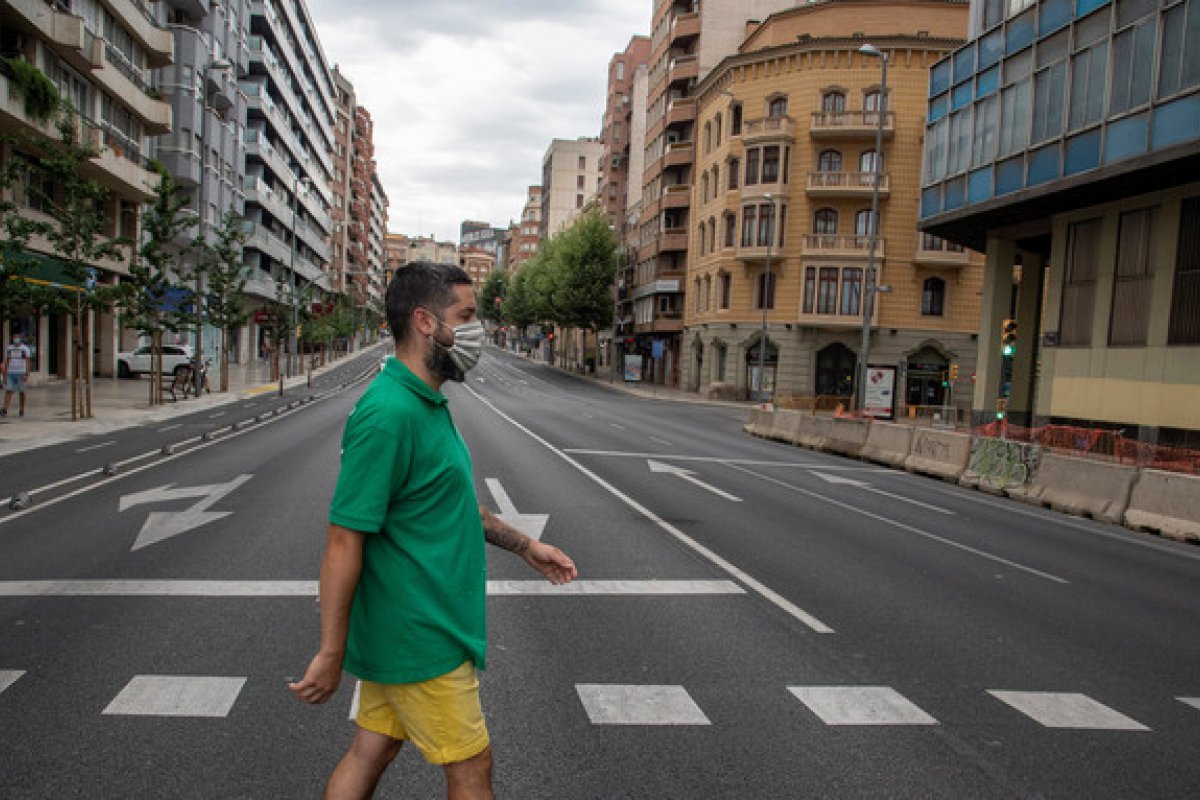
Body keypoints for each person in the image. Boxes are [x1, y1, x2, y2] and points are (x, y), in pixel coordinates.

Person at [289, 261, 577, 800]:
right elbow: (343, 537)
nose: (477, 331)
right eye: (466, 316)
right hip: (419, 632)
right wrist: (330, 651)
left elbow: (452, 507)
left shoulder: (426, 403)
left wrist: (526, 546)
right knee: (472, 767)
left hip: (416, 628)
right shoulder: (388, 413)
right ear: (425, 321)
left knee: (373, 748)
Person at [2, 333, 32, 418]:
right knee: (9, 391)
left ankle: (21, 409)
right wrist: (5, 374)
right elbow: (7, 361)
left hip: (21, 372)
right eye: (14, 338)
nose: (16, 339)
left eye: (17, 338)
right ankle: (5, 409)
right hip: (11, 372)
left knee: (22, 392)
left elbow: (28, 361)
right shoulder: (9, 348)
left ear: (20, 339)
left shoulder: (25, 349)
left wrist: (27, 373)